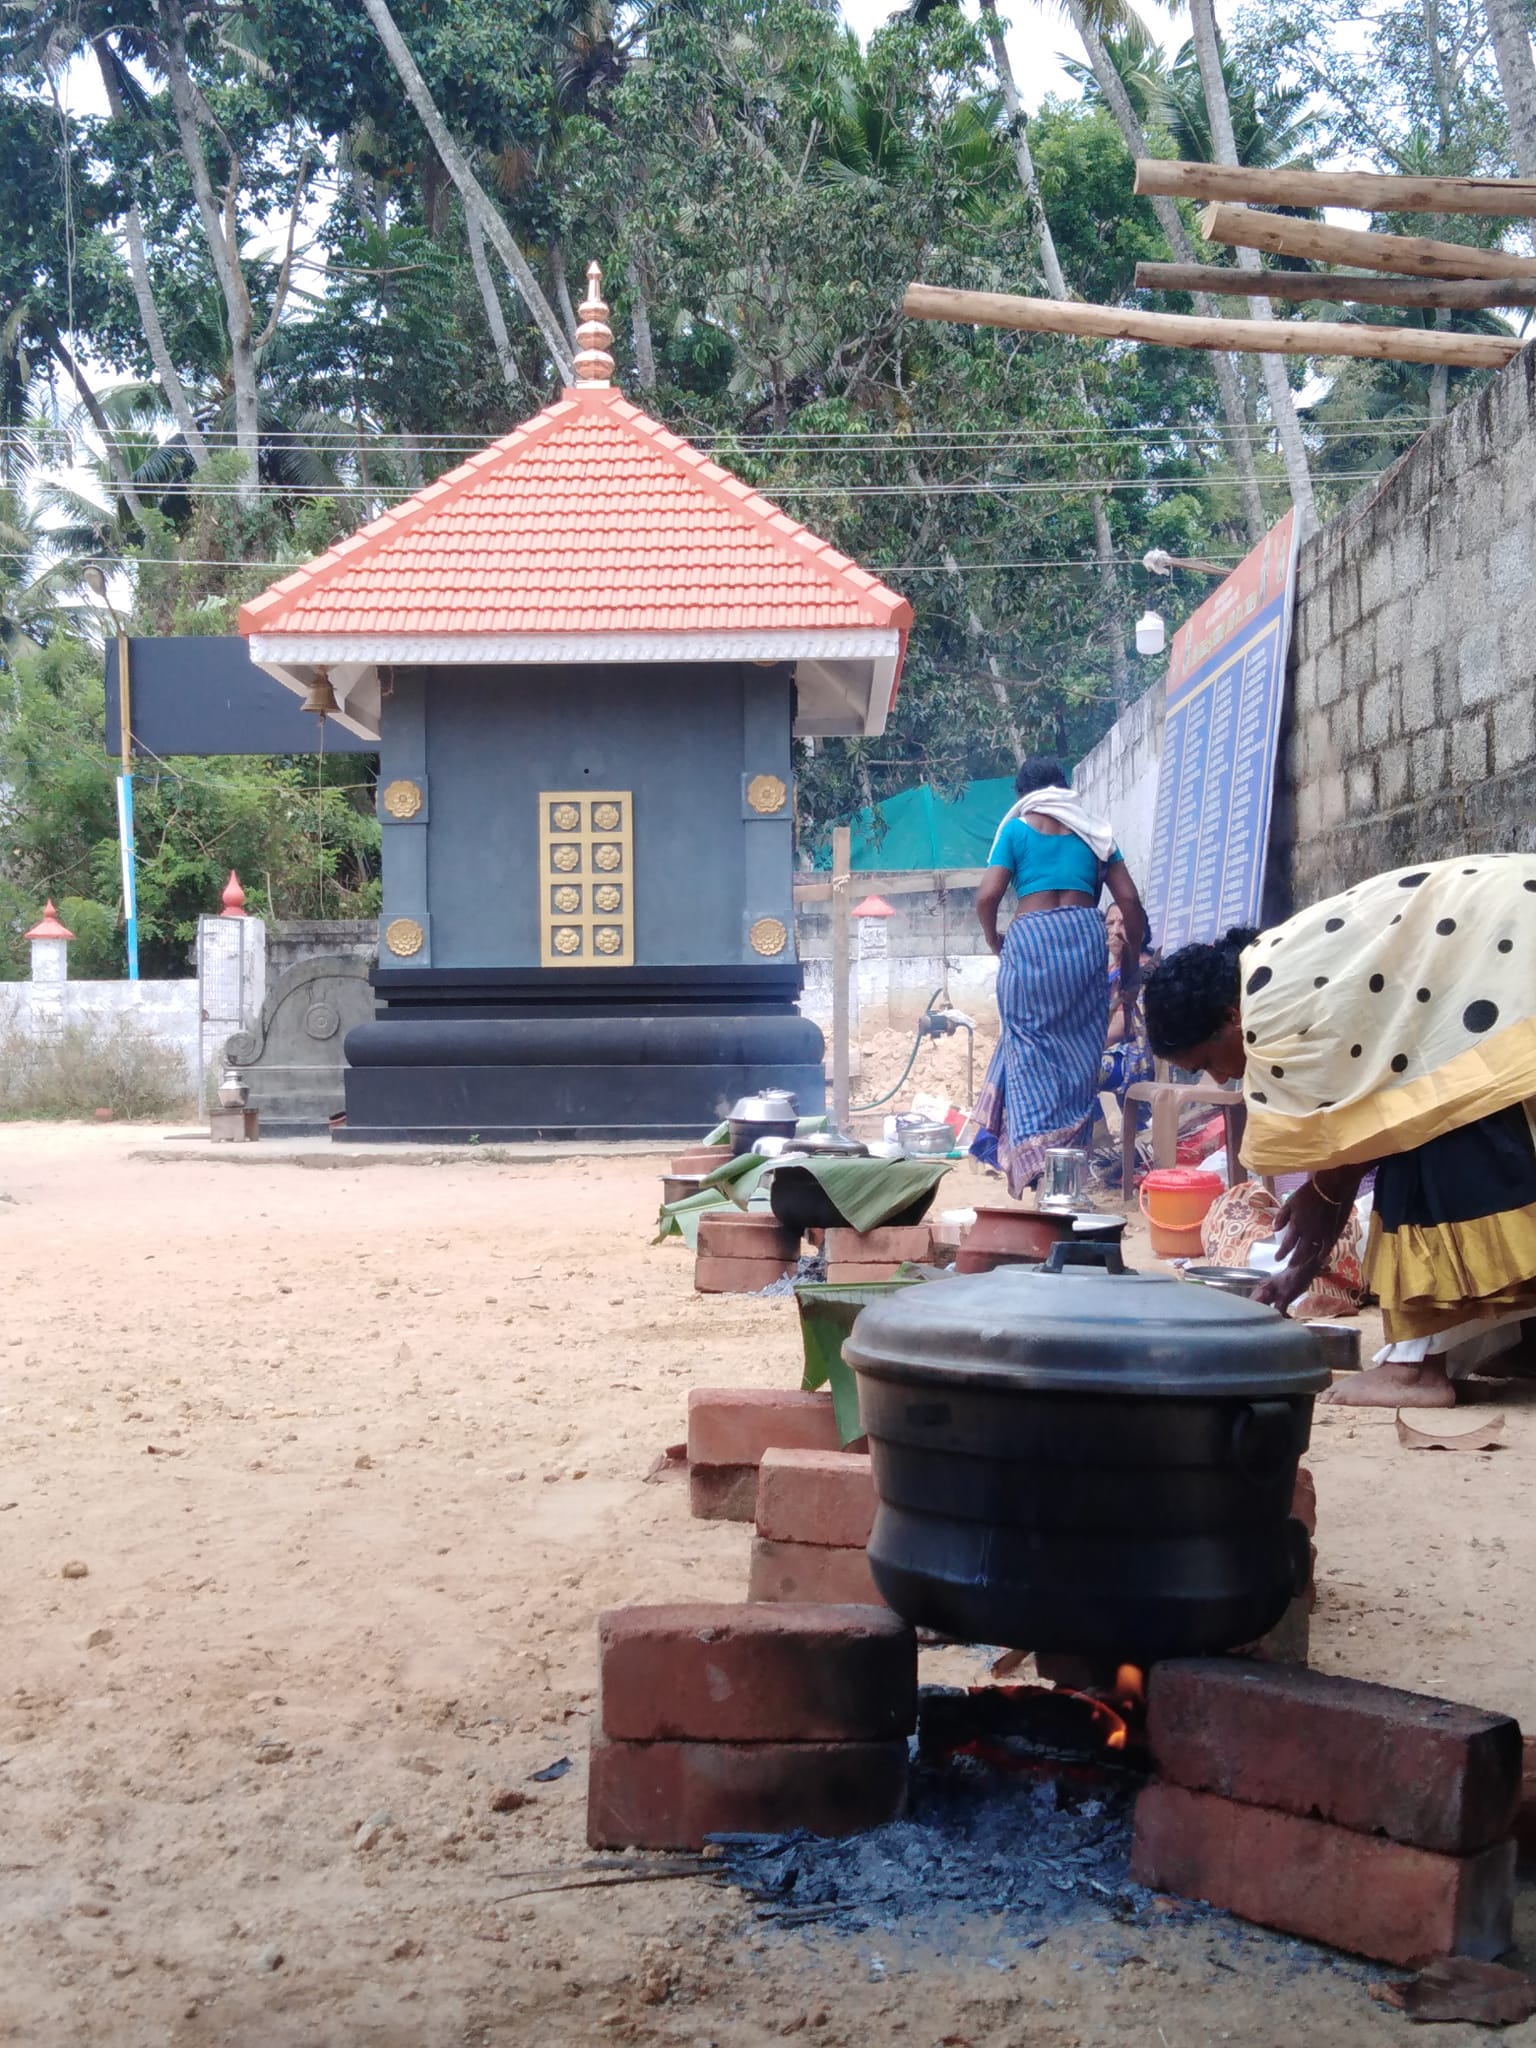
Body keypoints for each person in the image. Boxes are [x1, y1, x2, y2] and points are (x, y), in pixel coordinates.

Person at [1141, 854, 1536, 1407]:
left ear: (1231, 1017)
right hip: (1509, 936)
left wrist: (1323, 1195)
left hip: (1514, 941)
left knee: (1424, 1127)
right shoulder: (1271, 977)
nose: (1219, 1076)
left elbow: (1373, 1119)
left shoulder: (1277, 1004)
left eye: (1208, 1058)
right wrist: (1304, 1265)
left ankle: (1415, 1370)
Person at [971, 757, 1147, 1196]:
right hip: (1083, 942)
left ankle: (1039, 1171)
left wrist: (996, 939)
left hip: (1029, 941)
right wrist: (1129, 971)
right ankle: (1067, 1180)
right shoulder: (1096, 833)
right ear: (1064, 788)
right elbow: (1128, 900)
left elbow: (987, 896)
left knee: (1028, 1051)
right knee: (1079, 1056)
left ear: (1023, 795)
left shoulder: (1015, 830)